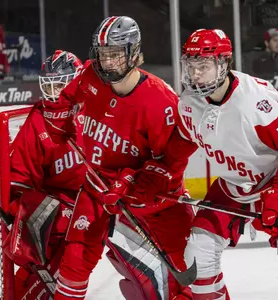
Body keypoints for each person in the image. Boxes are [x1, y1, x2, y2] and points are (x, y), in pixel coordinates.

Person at [159, 28, 278, 299]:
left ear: (223, 64)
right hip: (236, 184)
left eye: (203, 66)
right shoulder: (189, 102)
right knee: (199, 253)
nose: (195, 74)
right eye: (191, 65)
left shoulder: (256, 100)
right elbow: (182, 141)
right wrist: (160, 175)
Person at [53, 16, 193, 300]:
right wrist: (58, 120)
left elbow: (172, 161)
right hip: (96, 188)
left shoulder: (161, 101)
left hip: (147, 199)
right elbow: (63, 103)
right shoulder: (88, 75)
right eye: (103, 54)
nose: (108, 62)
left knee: (187, 276)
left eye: (115, 54)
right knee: (74, 263)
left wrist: (140, 184)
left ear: (133, 52)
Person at [2, 50, 85, 300]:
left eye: (60, 84)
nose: (53, 92)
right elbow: (20, 175)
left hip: (96, 204)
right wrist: (18, 207)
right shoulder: (38, 120)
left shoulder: (95, 109)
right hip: (60, 209)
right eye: (49, 85)